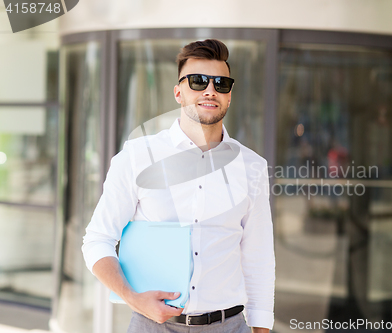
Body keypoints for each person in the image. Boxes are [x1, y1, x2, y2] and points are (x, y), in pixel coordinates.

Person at [82, 39, 275, 333]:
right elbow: (97, 240)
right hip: (151, 325)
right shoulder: (137, 156)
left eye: (221, 83)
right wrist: (133, 298)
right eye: (198, 81)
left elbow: (258, 256)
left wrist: (261, 328)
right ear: (178, 92)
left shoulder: (252, 167)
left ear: (230, 95)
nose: (210, 90)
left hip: (228, 326)